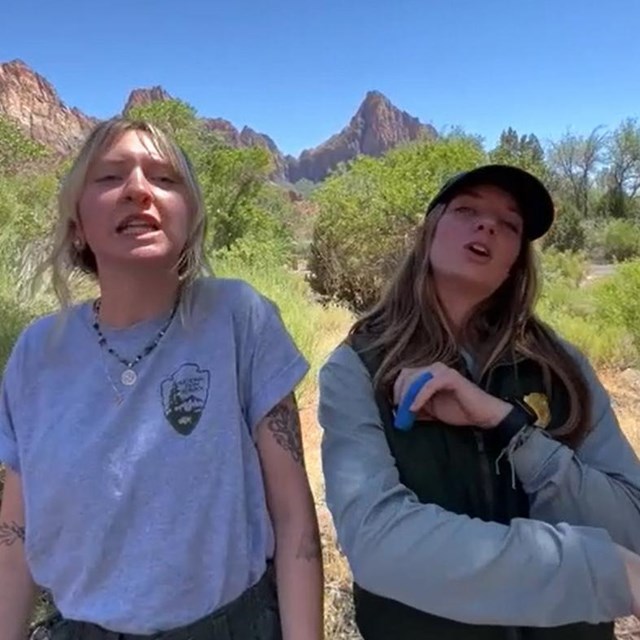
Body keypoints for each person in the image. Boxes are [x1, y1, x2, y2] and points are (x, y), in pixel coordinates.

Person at [0, 117, 324, 640]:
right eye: (108, 178)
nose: (137, 190)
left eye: (164, 178)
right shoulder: (38, 352)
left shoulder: (239, 319)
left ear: (190, 217)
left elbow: (295, 524)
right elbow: (14, 539)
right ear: (77, 224)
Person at [317, 164, 640, 639]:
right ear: (428, 233)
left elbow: (631, 522)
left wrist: (509, 426)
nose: (488, 225)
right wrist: (594, 568)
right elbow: (376, 541)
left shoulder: (562, 368)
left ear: (515, 259)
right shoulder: (358, 369)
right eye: (467, 209)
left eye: (509, 224)